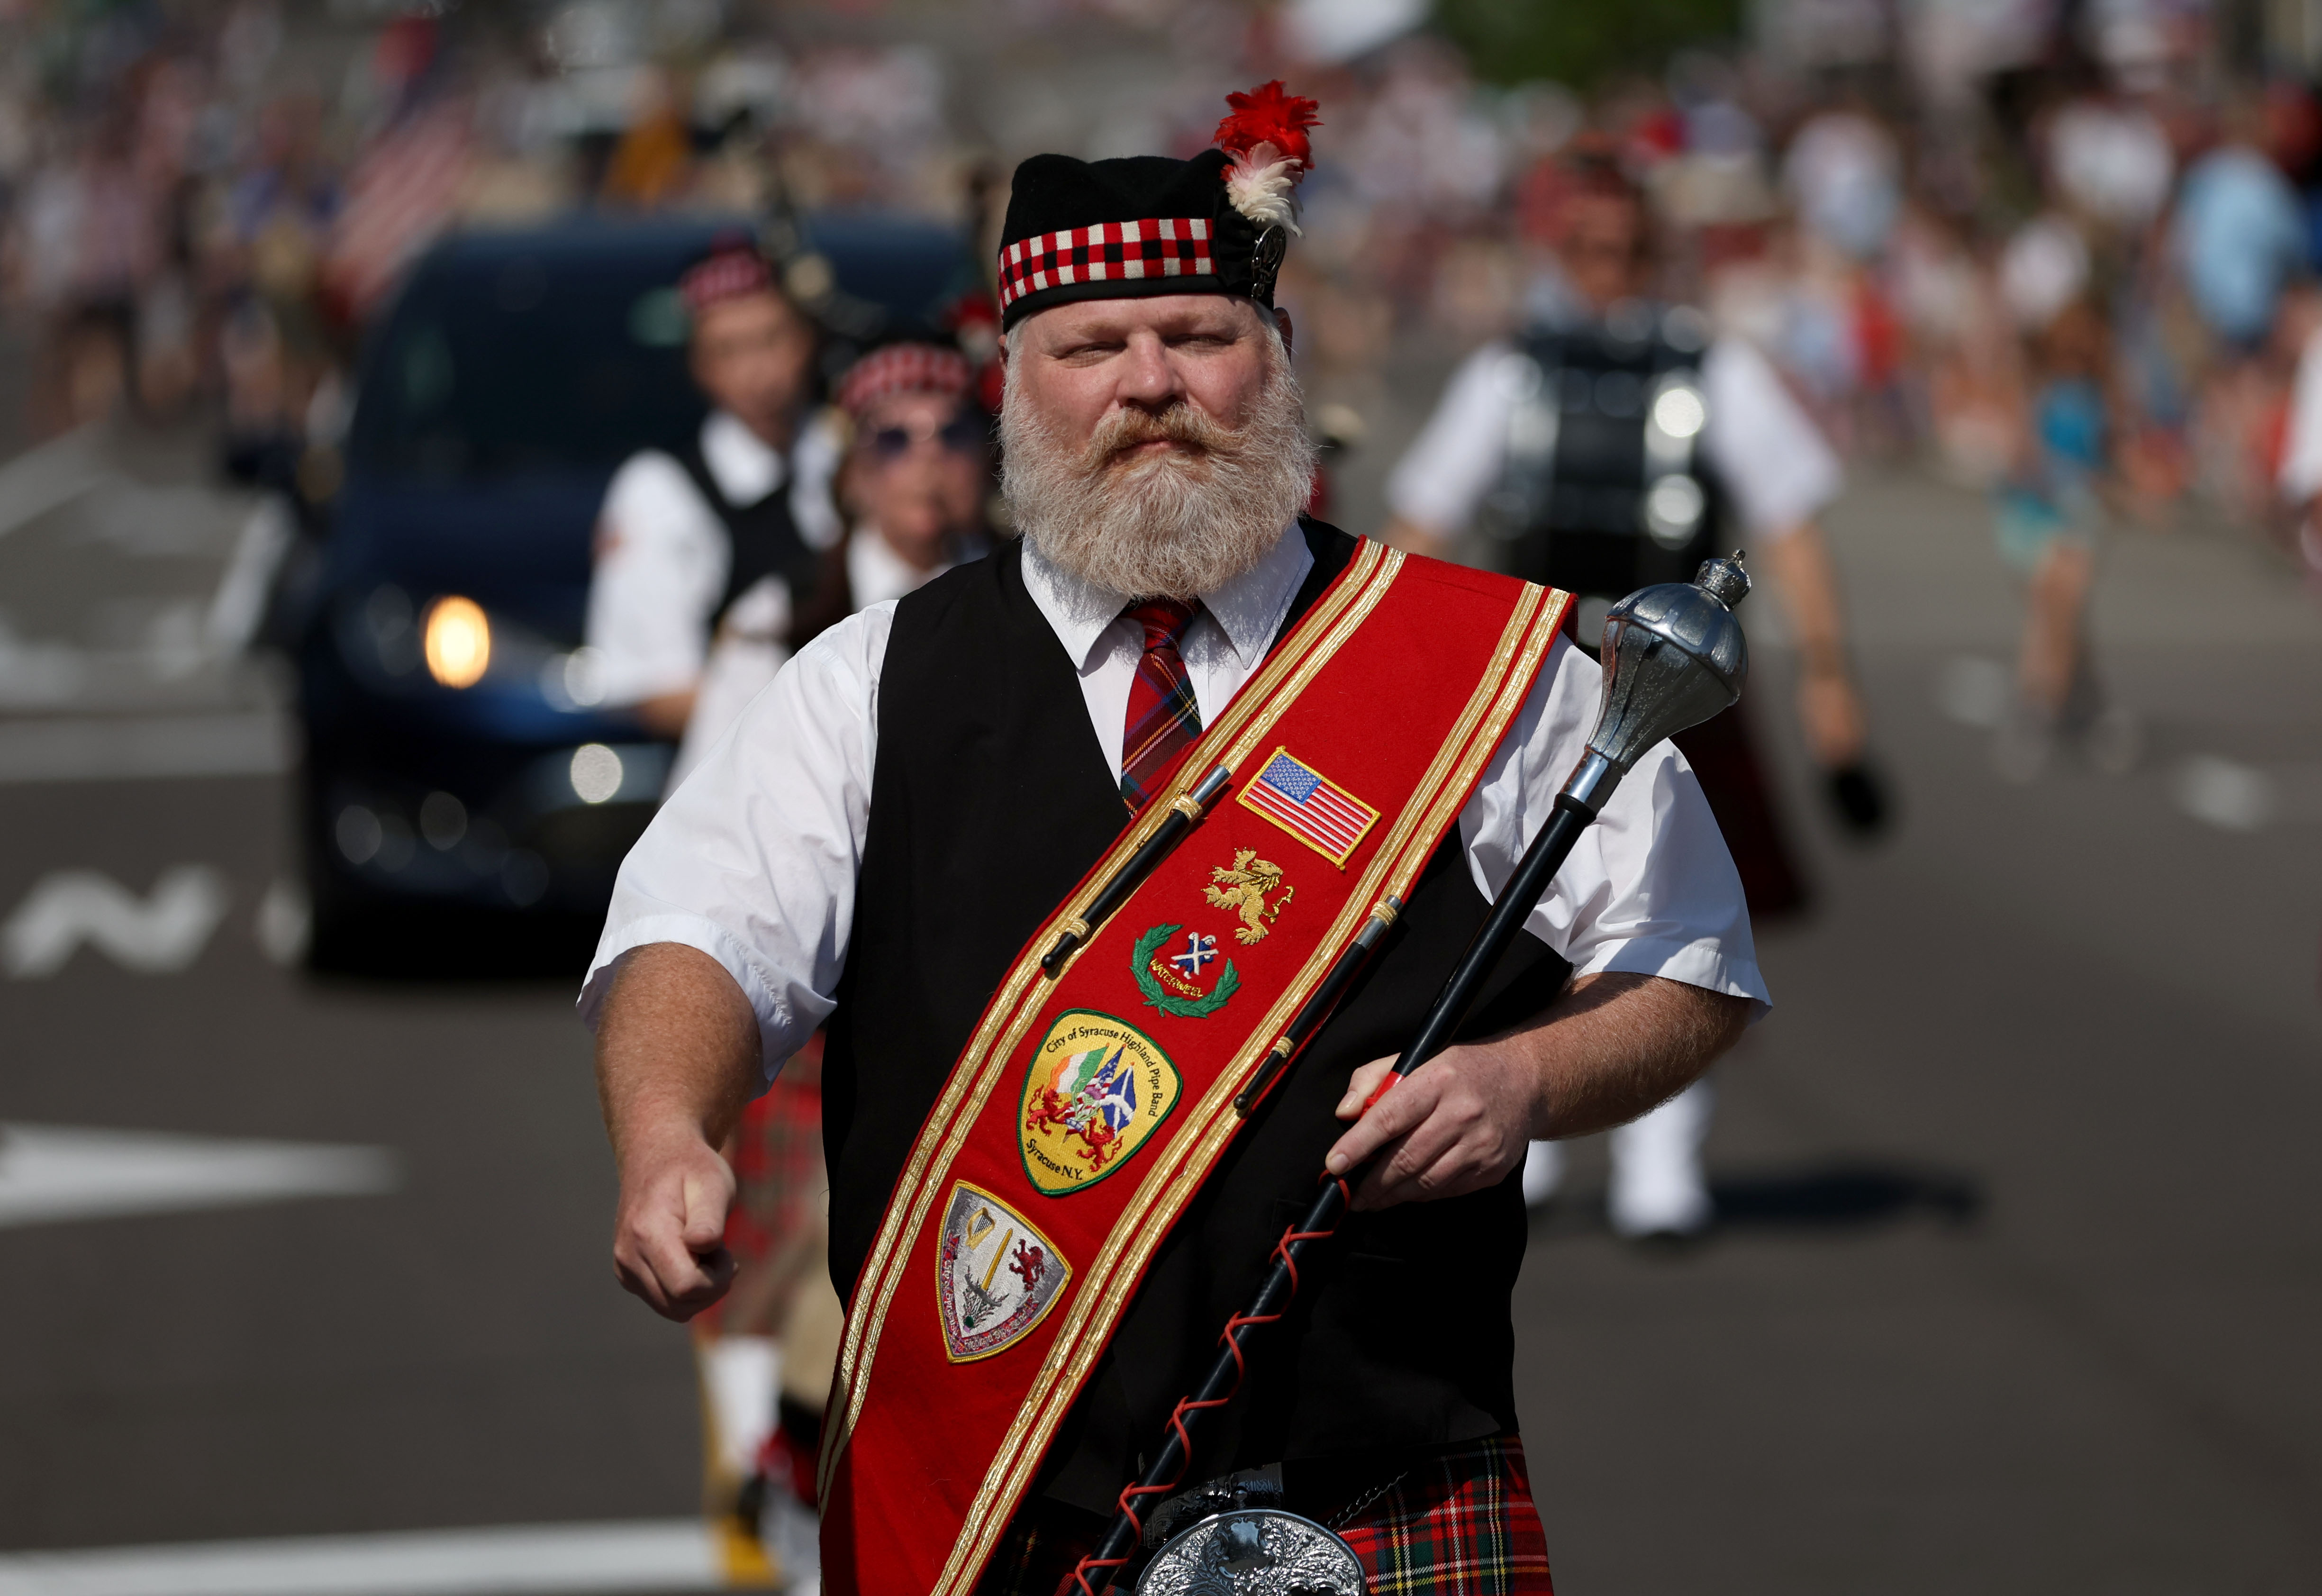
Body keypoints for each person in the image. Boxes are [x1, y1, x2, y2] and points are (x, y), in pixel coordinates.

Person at [584, 82, 1764, 1596]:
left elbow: (1691, 958)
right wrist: (665, 1129)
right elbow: (697, 933)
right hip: (999, 1501)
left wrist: (1524, 1078)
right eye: (1091, 349)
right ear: (1015, 382)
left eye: (1200, 336)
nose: (1151, 384)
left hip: (1382, 1486)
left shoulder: (1472, 665)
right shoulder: (869, 685)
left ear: (1272, 361)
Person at [1381, 145, 1872, 1241]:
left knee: (1669, 910)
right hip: (1540, 671)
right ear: (1561, 253)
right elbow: (1424, 519)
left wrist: (1834, 686)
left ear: (1659, 254)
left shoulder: (1717, 373)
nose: (1610, 271)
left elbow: (1793, 530)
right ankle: (1530, 1120)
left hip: (1677, 685)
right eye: (1589, 250)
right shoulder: (1510, 372)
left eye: (1630, 250)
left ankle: (1665, 1153)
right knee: (1522, 900)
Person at [679, 335, 995, 1591]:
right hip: (823, 1014)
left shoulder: (1038, 602)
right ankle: (794, 1512)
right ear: (849, 473)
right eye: (892, 438)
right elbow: (708, 857)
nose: (926, 466)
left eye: (952, 433)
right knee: (791, 1313)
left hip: (986, 1011)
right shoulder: (777, 629)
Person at [584, 238, 841, 747]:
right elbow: (655, 692)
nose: (758, 372)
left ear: (808, 339)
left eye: (772, 339)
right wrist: (832, 714)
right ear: (699, 367)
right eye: (729, 350)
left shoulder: (856, 453)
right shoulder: (660, 490)